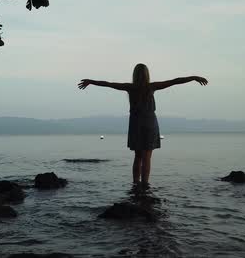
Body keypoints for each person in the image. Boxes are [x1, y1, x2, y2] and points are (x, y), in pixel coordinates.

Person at [78, 63, 208, 185]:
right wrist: (193, 77)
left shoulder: (130, 87)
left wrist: (91, 82)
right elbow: (175, 81)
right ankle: (145, 185)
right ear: (147, 74)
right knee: (147, 157)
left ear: (134, 75)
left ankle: (136, 183)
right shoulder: (151, 87)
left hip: (135, 124)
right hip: (149, 123)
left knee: (138, 156)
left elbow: (109, 84)